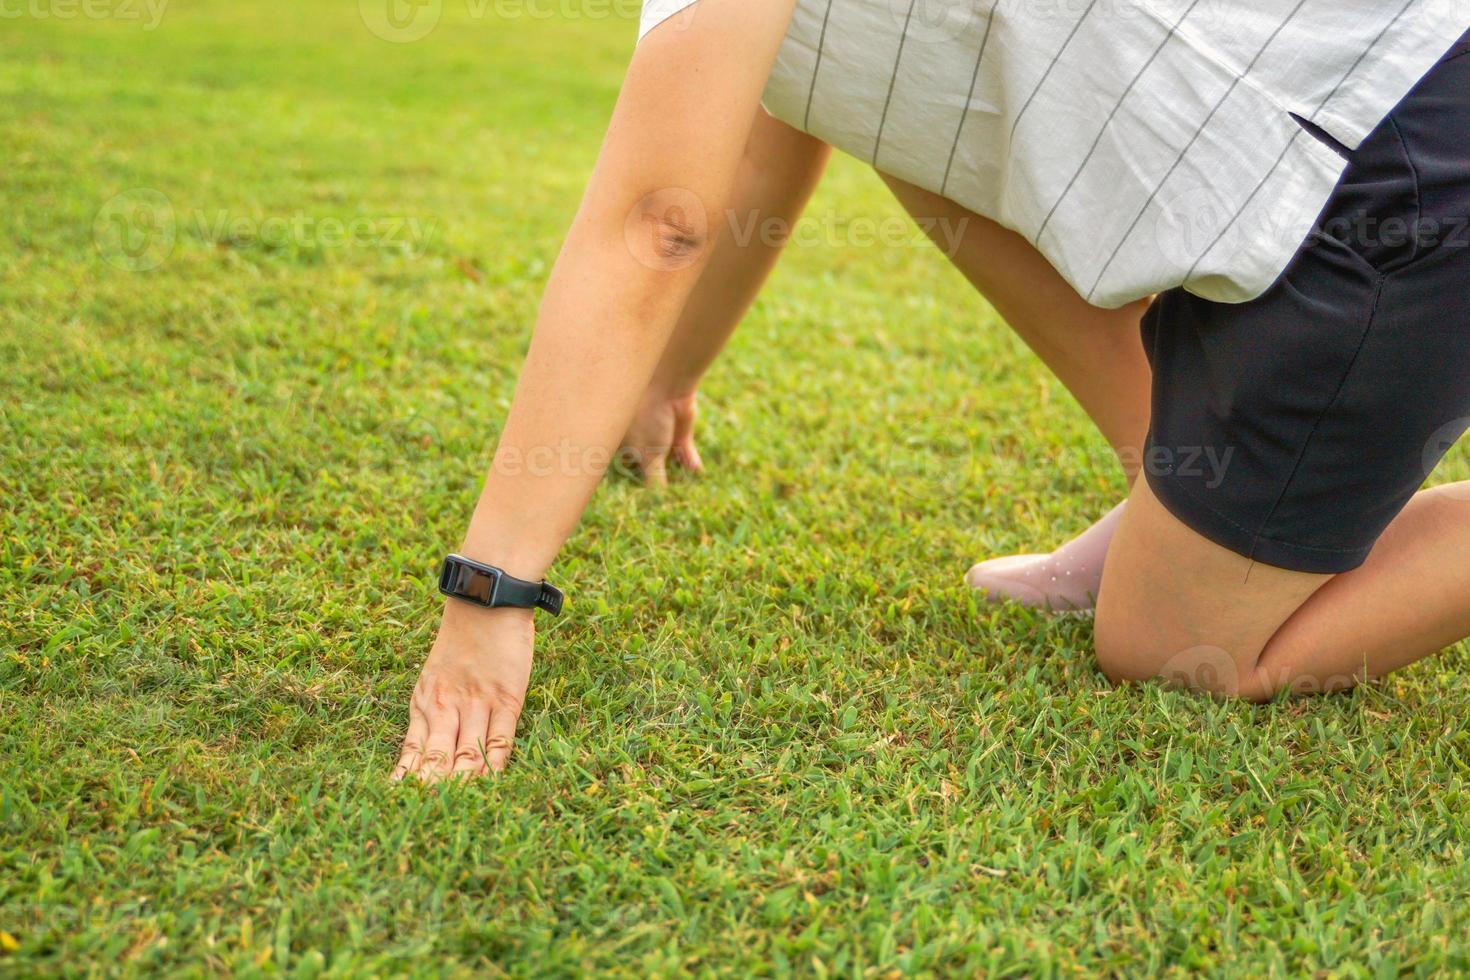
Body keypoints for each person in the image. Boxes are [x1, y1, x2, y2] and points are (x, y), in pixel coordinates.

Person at [393, 0, 1470, 780]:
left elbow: (653, 222)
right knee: (903, 113)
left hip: (1395, 179)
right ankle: (1175, 485)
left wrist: (494, 589)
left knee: (1174, 647)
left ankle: (1204, 544)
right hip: (1372, 125)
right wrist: (668, 373)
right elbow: (791, 110)